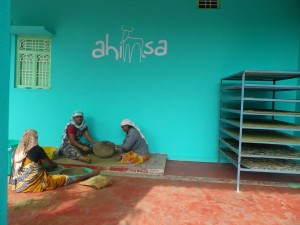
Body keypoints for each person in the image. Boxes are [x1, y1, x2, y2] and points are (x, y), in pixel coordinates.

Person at [9, 129, 100, 193]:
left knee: (38, 164)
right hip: (30, 184)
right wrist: (55, 164)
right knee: (64, 179)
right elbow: (51, 165)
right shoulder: (37, 149)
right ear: (34, 138)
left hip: (17, 185)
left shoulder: (16, 151)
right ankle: (90, 174)